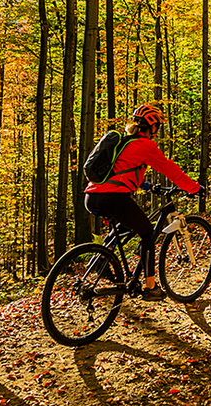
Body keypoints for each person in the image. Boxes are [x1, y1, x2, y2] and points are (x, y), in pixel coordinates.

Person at [83, 103, 203, 301]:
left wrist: (147, 186)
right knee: (147, 232)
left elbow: (121, 172)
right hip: (113, 197)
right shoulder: (145, 145)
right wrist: (194, 188)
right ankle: (151, 287)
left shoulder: (125, 142)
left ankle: (101, 259)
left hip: (92, 196)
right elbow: (170, 170)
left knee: (124, 226)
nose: (158, 130)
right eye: (158, 126)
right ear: (153, 126)